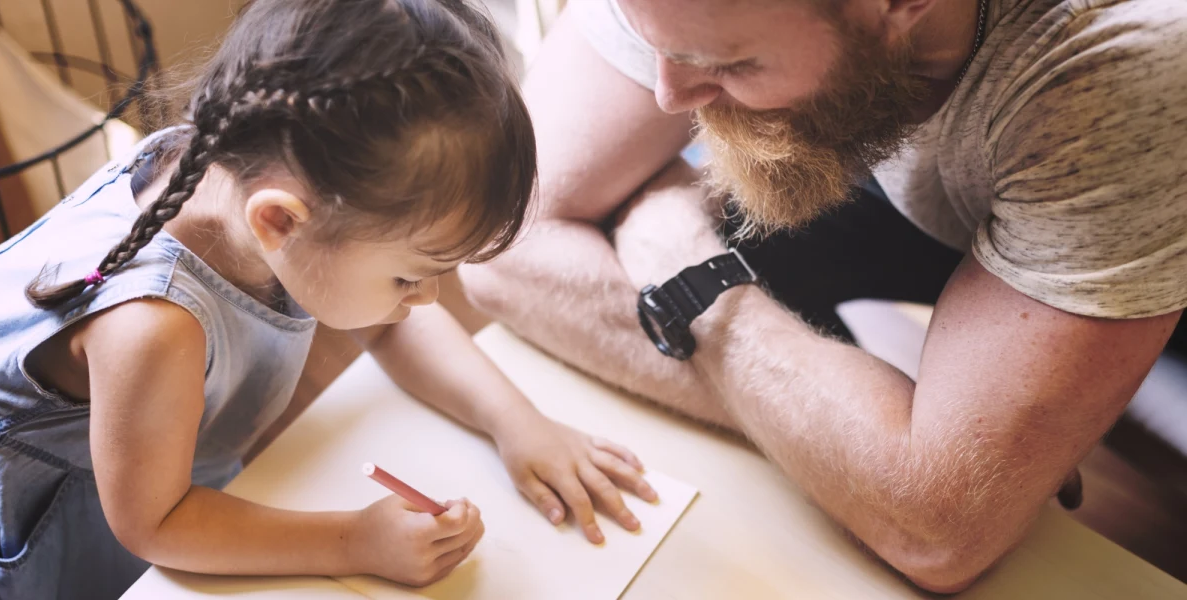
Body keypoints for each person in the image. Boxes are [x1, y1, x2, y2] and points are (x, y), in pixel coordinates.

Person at [460, 0, 1187, 592]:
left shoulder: (1121, 61)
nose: (666, 94)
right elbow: (500, 245)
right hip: (910, 138)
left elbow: (936, 530)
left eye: (725, 62)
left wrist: (693, 279)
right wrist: (849, 445)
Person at [0, 1, 658, 597]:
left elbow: (389, 325)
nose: (424, 300)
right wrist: (353, 543)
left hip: (147, 469)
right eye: (408, 277)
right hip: (60, 527)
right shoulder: (154, 327)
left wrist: (516, 421)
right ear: (279, 221)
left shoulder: (253, 172)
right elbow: (154, 523)